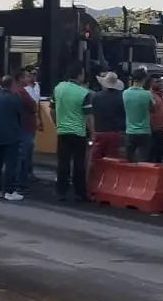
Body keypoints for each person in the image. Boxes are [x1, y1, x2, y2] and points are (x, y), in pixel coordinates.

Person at [51, 65, 93, 203]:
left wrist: (57, 123)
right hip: (78, 133)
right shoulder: (83, 93)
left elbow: (52, 109)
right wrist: (93, 133)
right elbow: (88, 116)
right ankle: (79, 193)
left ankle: (60, 191)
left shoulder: (58, 88)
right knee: (79, 164)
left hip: (62, 131)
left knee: (63, 163)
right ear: (79, 75)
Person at [0, 75, 25, 202]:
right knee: (10, 165)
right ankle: (9, 191)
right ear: (11, 85)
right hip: (11, 135)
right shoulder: (15, 98)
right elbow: (20, 116)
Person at [90, 71, 127, 164]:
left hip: (99, 132)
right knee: (112, 160)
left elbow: (92, 114)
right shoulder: (121, 97)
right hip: (115, 133)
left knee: (95, 160)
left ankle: (93, 177)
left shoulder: (96, 97)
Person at [14, 69, 40, 196]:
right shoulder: (22, 92)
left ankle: (23, 178)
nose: (29, 78)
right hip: (25, 127)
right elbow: (33, 105)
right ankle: (20, 183)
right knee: (23, 155)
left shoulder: (19, 90)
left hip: (23, 126)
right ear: (20, 78)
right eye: (27, 76)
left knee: (23, 154)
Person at [123, 69, 155, 162]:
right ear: (144, 79)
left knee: (129, 161)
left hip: (130, 132)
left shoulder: (125, 93)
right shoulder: (147, 94)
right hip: (145, 131)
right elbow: (153, 108)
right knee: (144, 161)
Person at [148, 77, 163, 164]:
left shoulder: (162, 95)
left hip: (162, 129)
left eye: (160, 82)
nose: (159, 83)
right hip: (153, 129)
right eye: (156, 82)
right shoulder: (149, 95)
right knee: (151, 153)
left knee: (160, 153)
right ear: (151, 83)